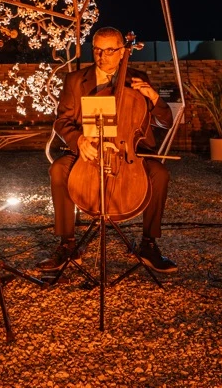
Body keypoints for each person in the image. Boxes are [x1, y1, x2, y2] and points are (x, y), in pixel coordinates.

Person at [38, 27, 177, 274]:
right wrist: (79, 140)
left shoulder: (137, 78)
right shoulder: (75, 80)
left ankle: (148, 244)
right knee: (58, 169)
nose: (102, 56)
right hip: (87, 148)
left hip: (128, 151)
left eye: (110, 50)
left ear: (123, 52)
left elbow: (165, 121)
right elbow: (62, 121)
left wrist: (153, 97)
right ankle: (67, 244)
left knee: (160, 174)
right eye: (98, 50)